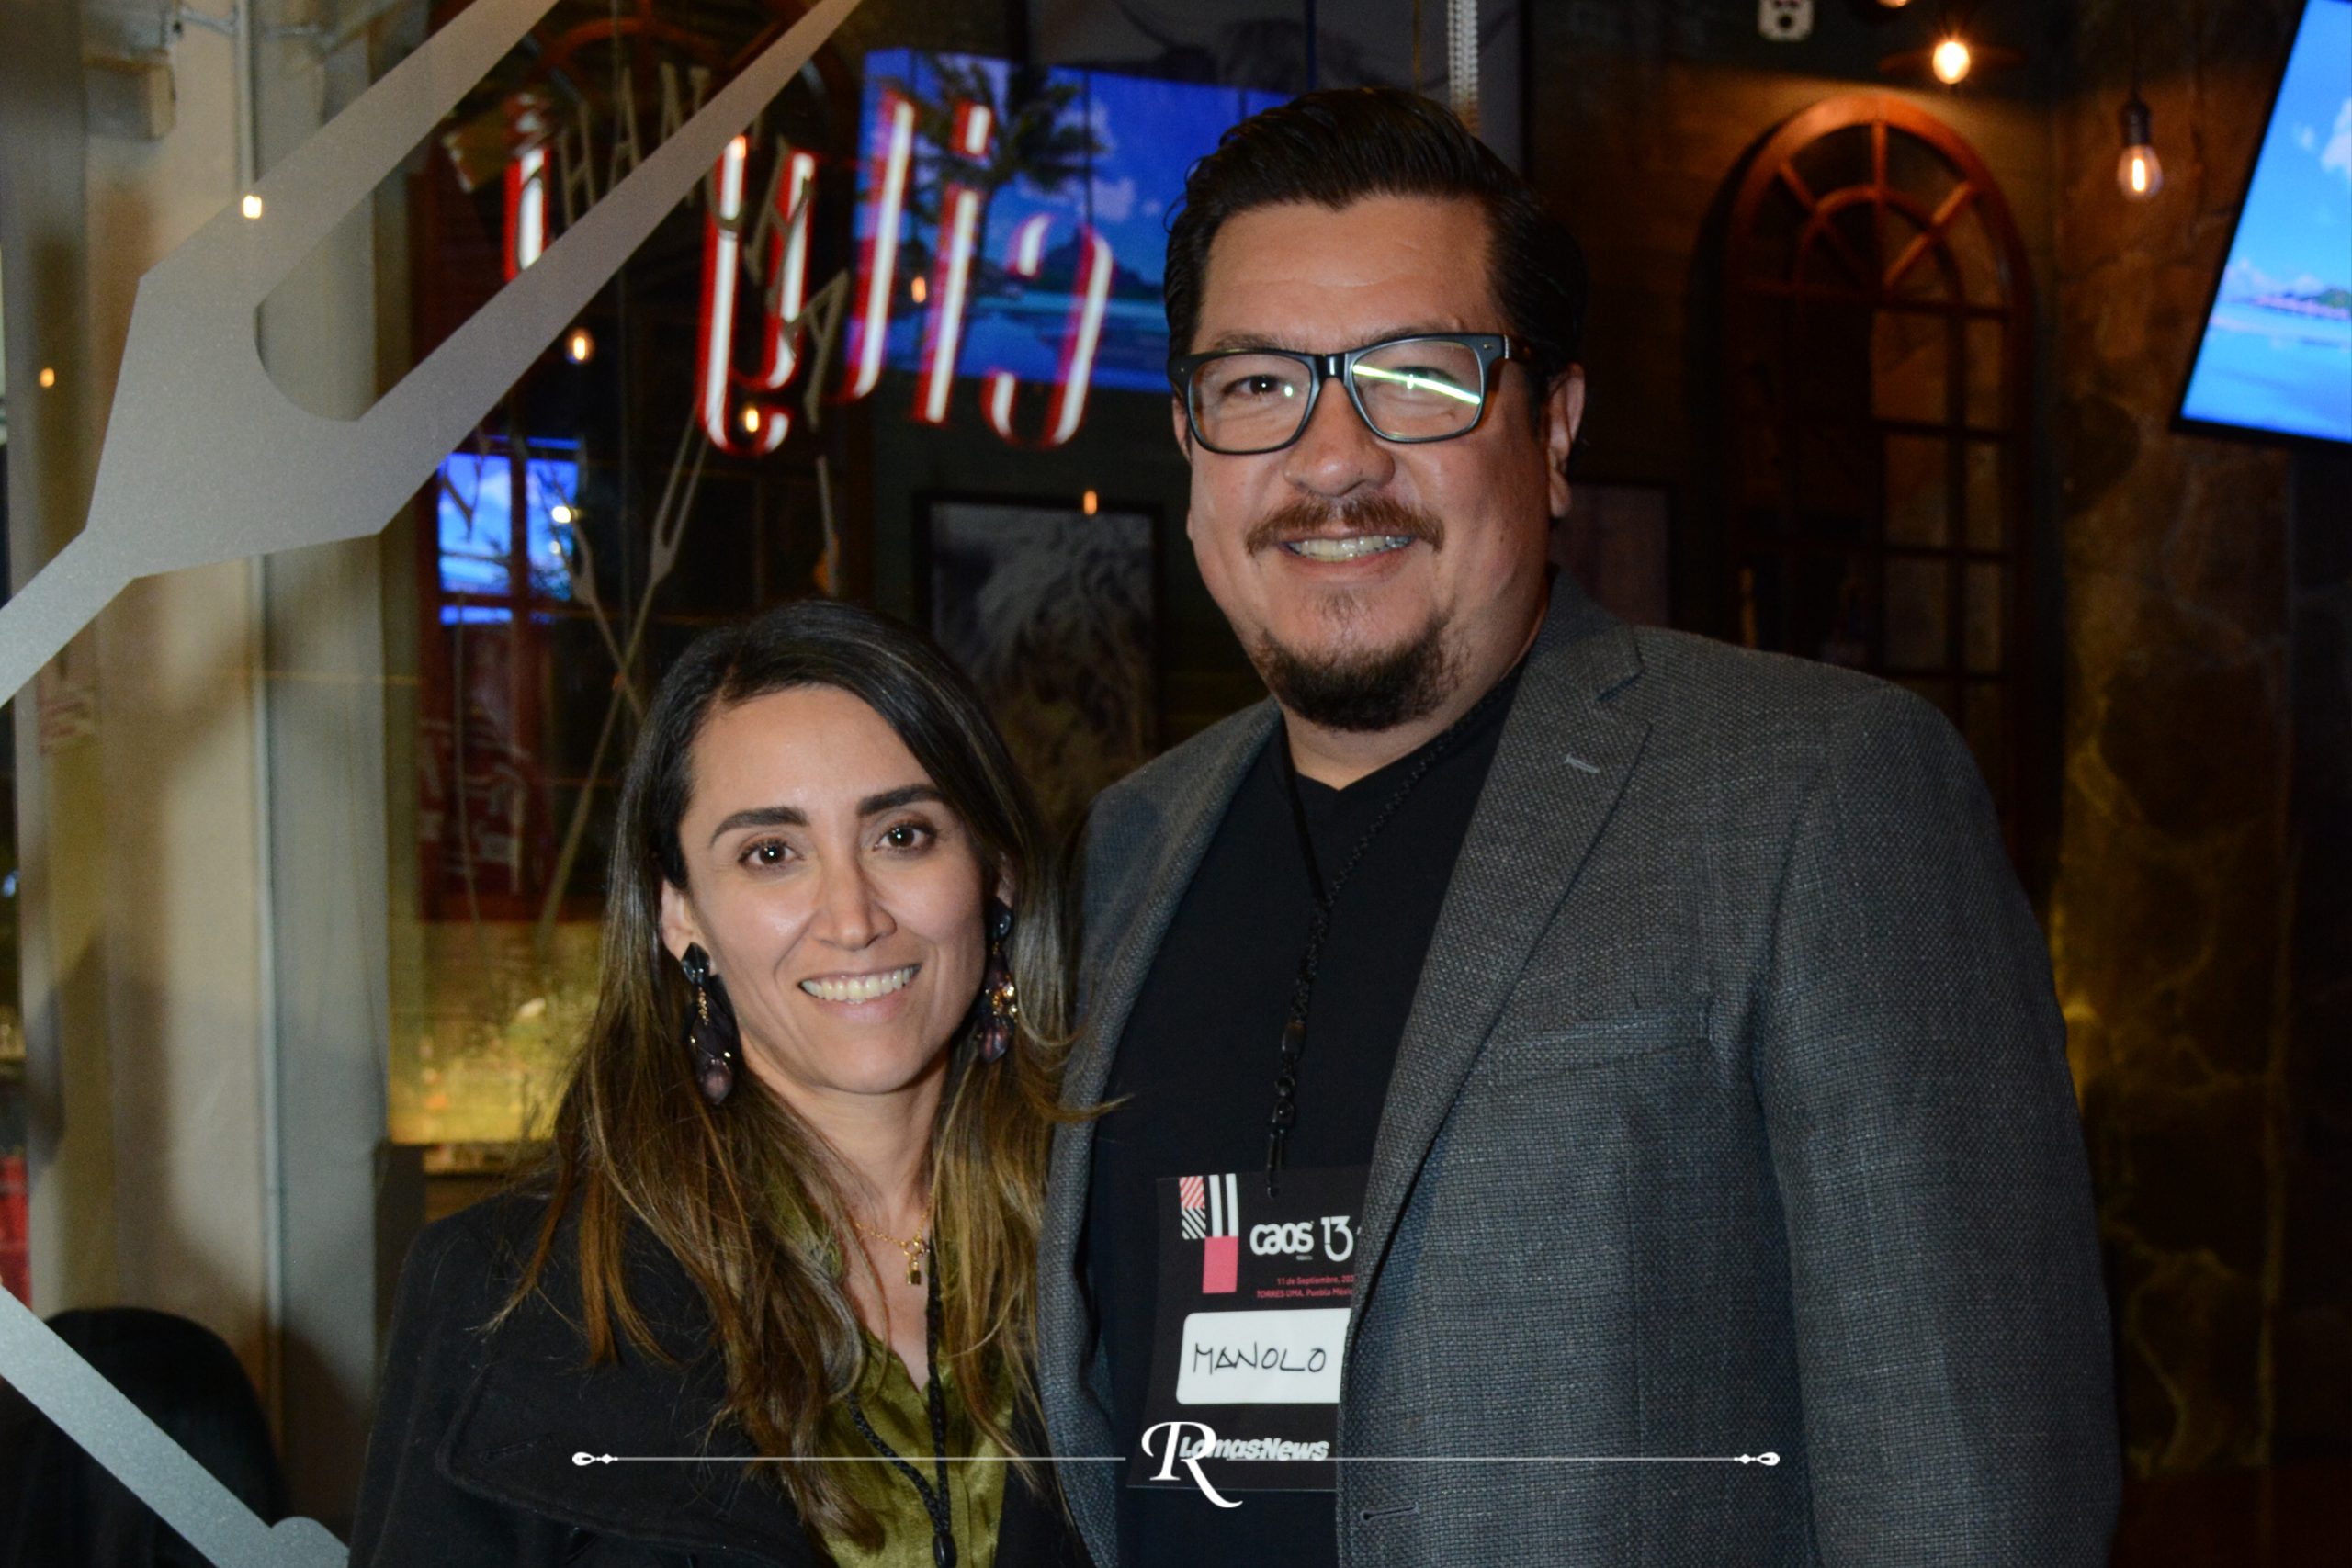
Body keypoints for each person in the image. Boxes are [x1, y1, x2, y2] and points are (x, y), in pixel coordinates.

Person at [1039, 88, 2118, 1566]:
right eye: (1259, 383)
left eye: (1418, 377)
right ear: (1189, 439)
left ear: (1552, 427)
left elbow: (1971, 1500)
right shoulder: (1122, 849)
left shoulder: (1816, 794)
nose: (1334, 459)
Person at [353, 601, 1087, 1568]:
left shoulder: (1115, 1240)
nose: (852, 917)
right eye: (771, 853)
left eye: (903, 835)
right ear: (679, 912)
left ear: (995, 870)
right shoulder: (514, 1297)